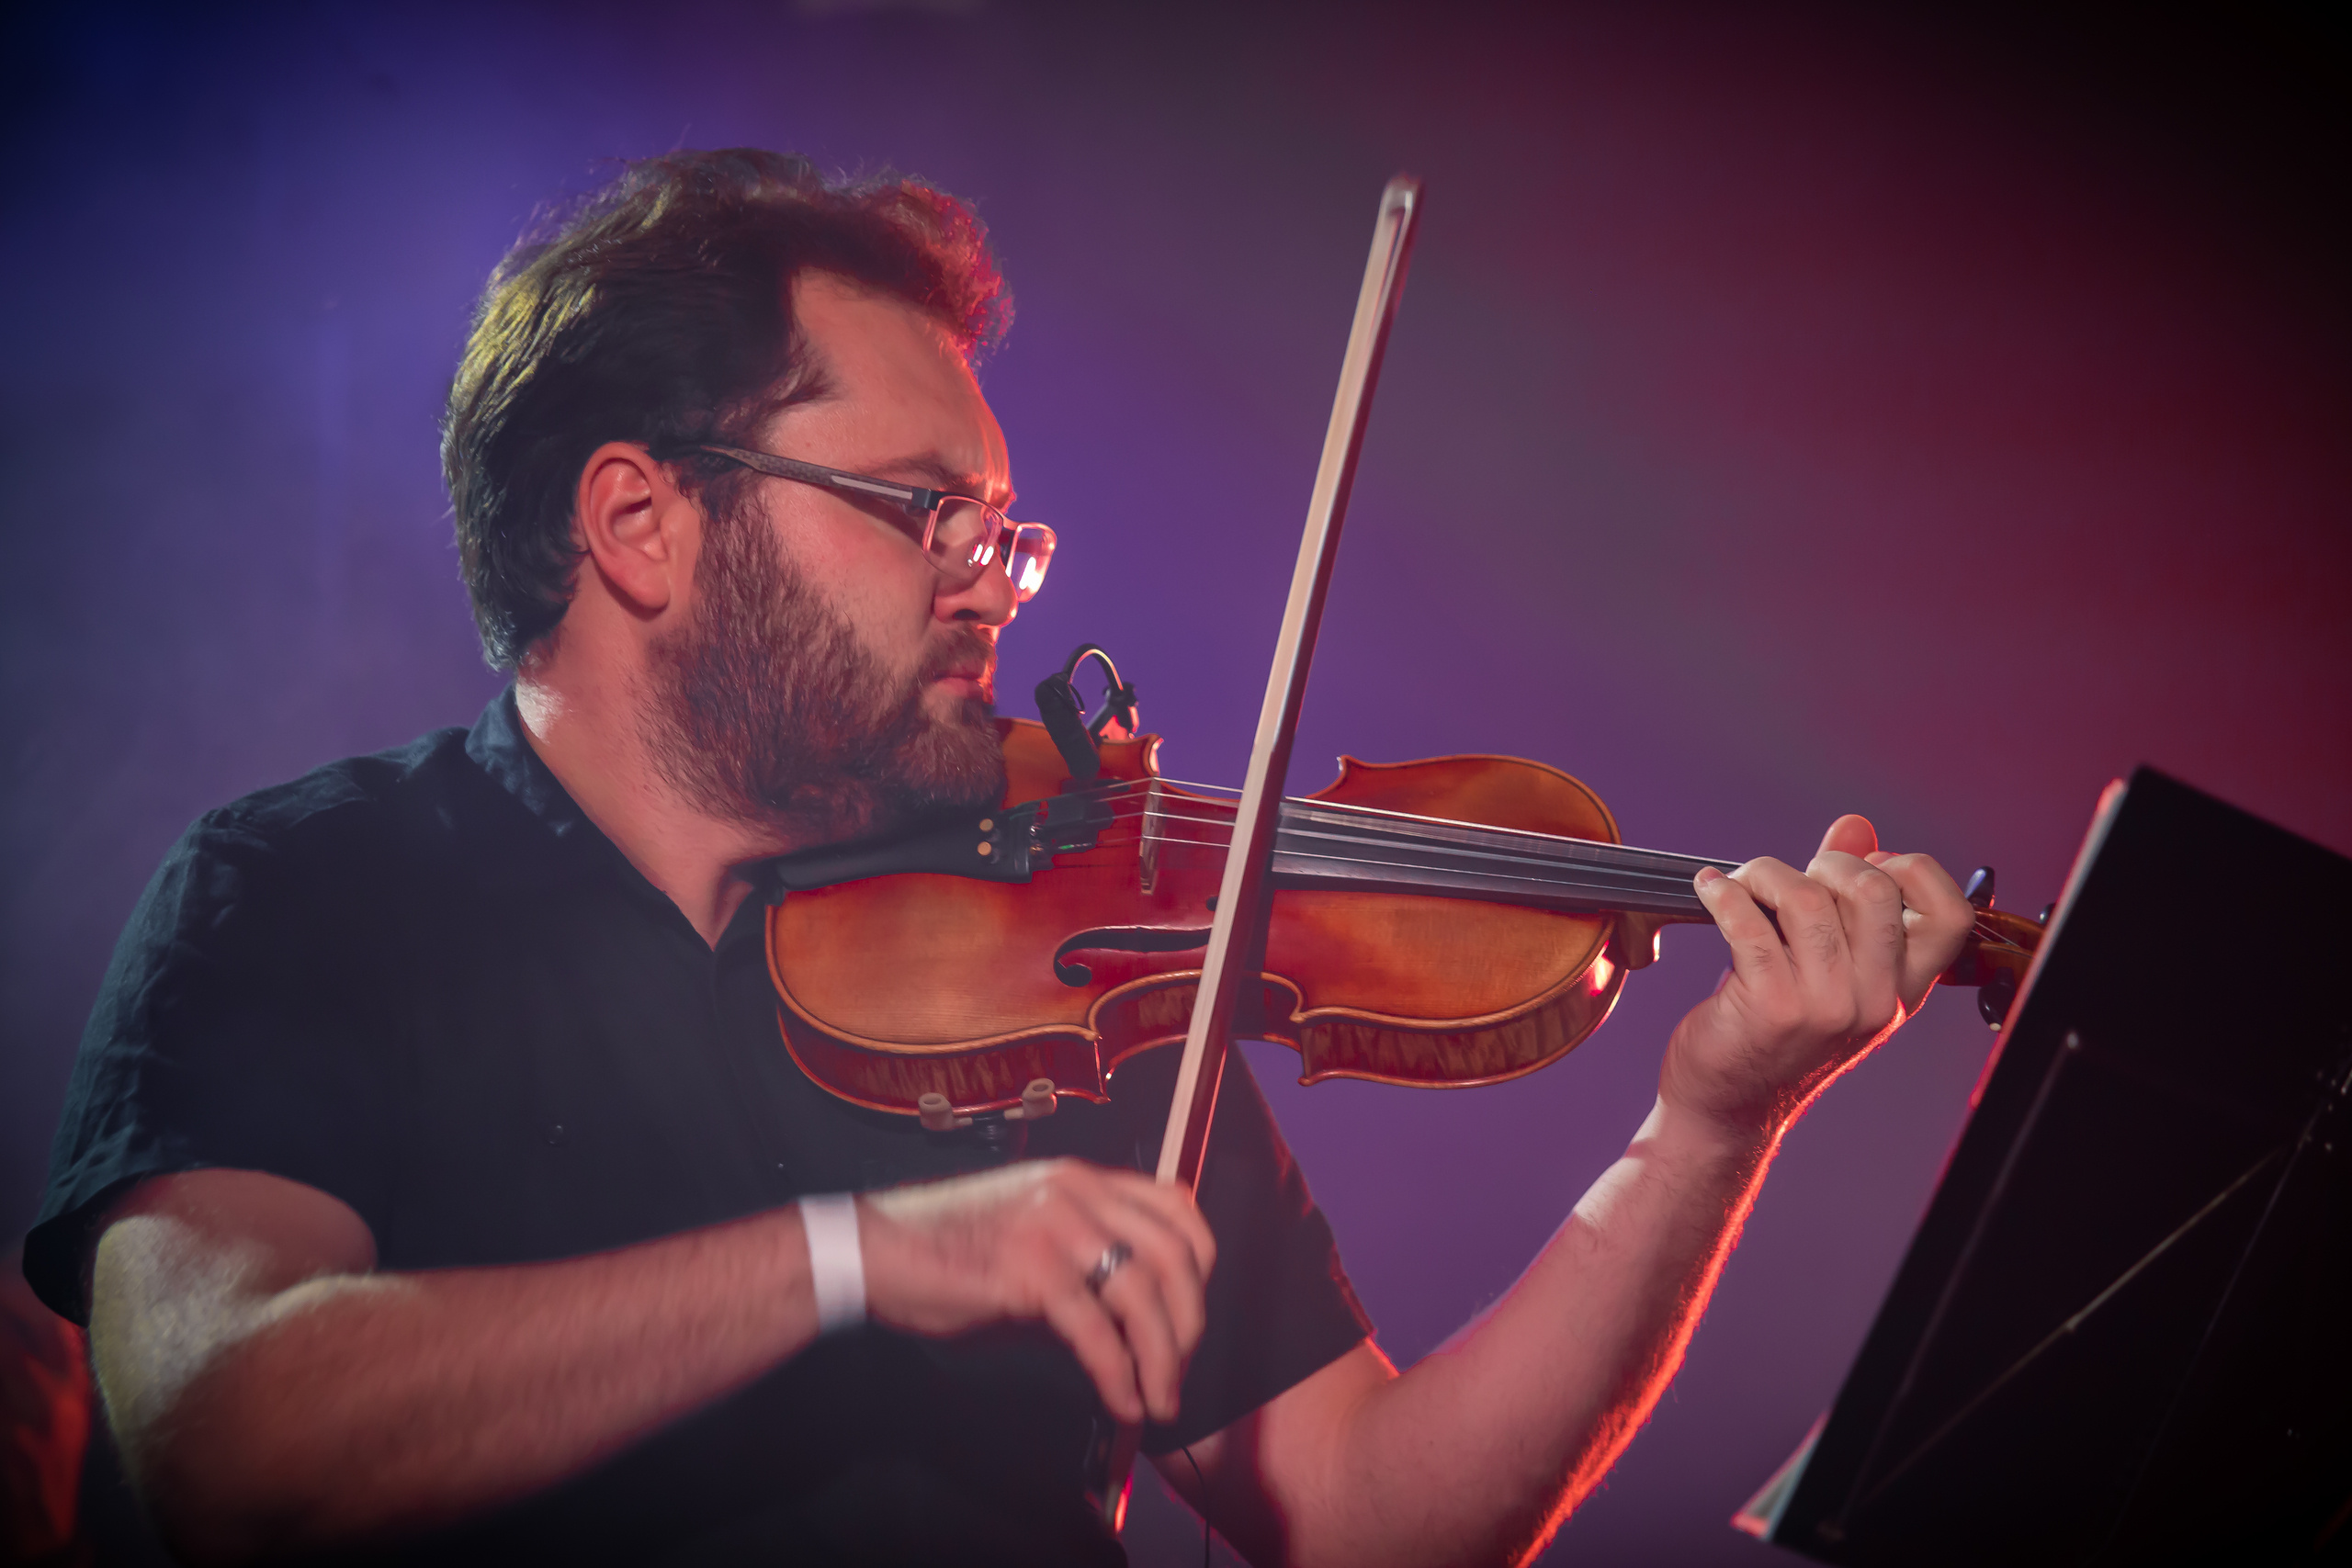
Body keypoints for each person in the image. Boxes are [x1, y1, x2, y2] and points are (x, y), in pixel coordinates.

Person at [24, 148, 1973, 1566]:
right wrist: (856, 1255)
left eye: (1004, 530)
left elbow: (1374, 1524)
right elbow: (227, 1434)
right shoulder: (305, 892)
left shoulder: (1065, 968)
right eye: (920, 512)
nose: (995, 587)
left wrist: (1704, 1131)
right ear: (637, 520)